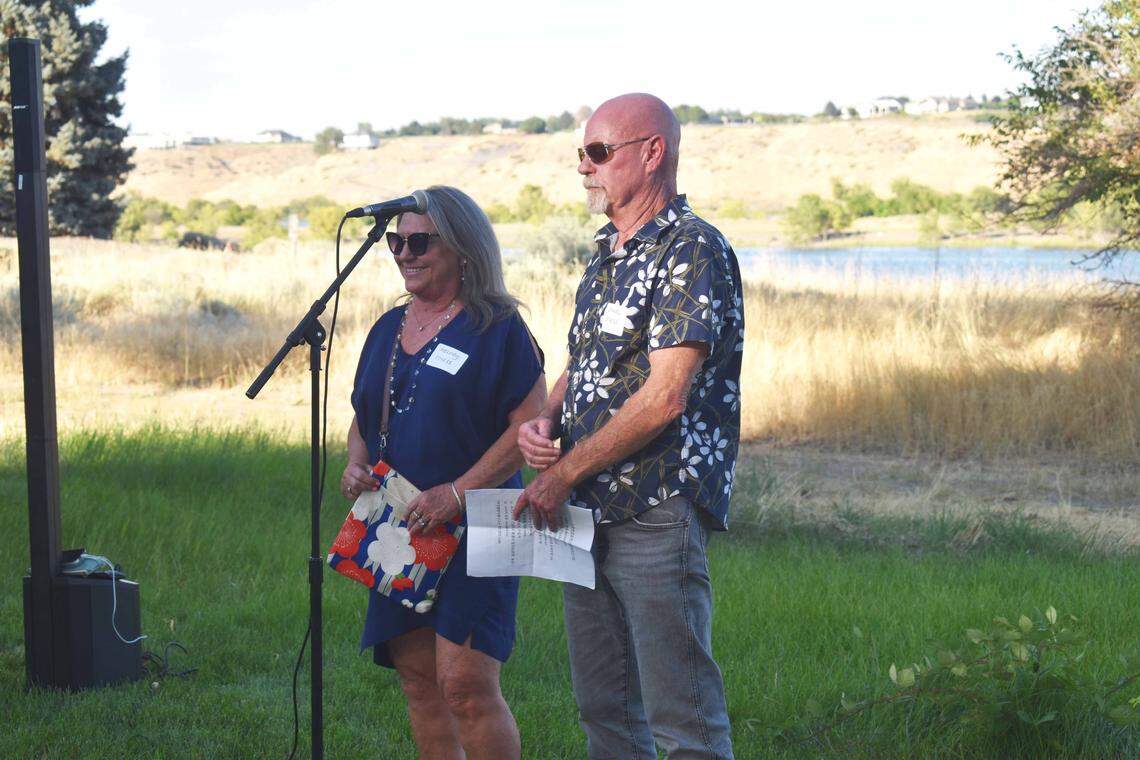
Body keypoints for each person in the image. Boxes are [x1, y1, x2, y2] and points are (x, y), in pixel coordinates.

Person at [515, 93, 743, 759]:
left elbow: (664, 396)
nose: (585, 168)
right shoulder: (607, 251)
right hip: (587, 507)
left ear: (652, 154)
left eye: (598, 152)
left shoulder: (691, 248)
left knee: (684, 723)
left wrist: (560, 472)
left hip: (652, 504)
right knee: (606, 712)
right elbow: (590, 360)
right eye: (581, 154)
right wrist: (547, 416)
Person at [341, 185, 546, 760]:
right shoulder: (387, 328)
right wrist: (356, 463)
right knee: (418, 682)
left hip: (482, 522)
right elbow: (363, 417)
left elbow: (529, 429)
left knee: (466, 686)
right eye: (395, 241)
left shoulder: (498, 327)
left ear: (462, 248)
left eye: (420, 241)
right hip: (400, 525)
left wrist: (457, 493)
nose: (405, 252)